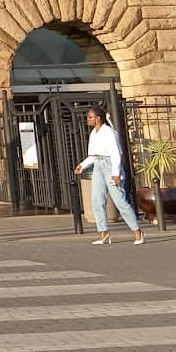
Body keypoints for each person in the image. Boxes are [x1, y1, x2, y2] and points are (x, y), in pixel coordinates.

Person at [73, 103, 143, 245]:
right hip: (98, 165)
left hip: (110, 165)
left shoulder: (108, 132)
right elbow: (94, 155)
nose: (88, 119)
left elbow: (115, 153)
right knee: (97, 200)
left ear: (98, 118)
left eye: (90, 117)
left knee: (119, 200)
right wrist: (83, 165)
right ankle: (103, 233)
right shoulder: (94, 133)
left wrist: (116, 173)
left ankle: (137, 231)